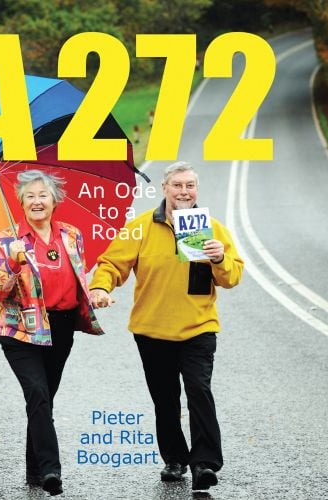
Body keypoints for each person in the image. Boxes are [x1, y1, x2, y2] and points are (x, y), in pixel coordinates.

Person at [89, 161, 244, 491]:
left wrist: (219, 259)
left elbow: (232, 277)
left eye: (190, 185)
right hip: (152, 330)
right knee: (165, 399)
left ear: (197, 190)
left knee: (199, 391)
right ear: (164, 189)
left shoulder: (211, 228)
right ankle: (175, 459)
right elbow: (111, 263)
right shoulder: (141, 226)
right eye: (178, 185)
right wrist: (101, 286)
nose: (184, 191)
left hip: (198, 328)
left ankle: (205, 463)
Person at [0, 169, 103, 496]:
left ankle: (35, 471)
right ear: (21, 202)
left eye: (43, 195)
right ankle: (51, 472)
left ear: (54, 200)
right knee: (36, 392)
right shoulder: (6, 241)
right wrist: (8, 272)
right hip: (19, 329)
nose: (37, 201)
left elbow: (78, 278)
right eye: (30, 196)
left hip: (61, 327)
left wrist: (94, 295)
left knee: (43, 399)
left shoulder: (71, 235)